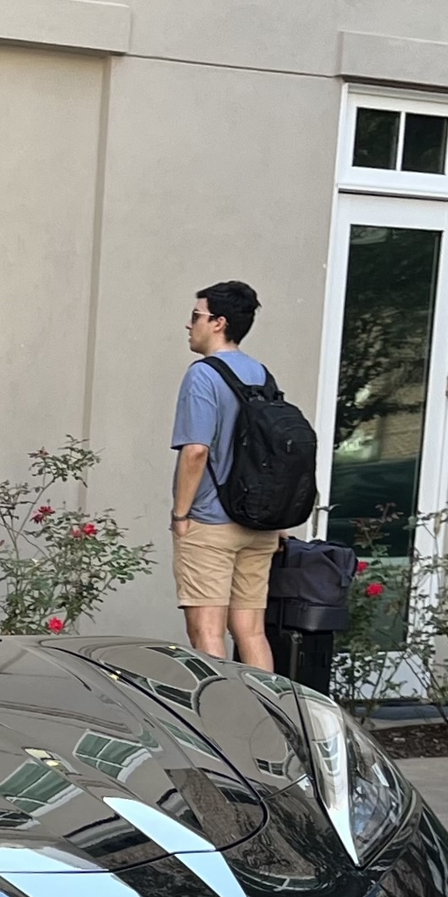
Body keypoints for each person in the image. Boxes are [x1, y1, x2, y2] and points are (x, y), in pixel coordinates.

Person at [170, 280, 283, 670]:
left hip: (211, 522)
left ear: (218, 323)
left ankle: (217, 726)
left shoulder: (203, 375)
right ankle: (269, 721)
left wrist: (181, 515)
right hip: (261, 523)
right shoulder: (261, 374)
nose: (189, 325)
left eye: (196, 316)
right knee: (251, 631)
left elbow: (196, 451)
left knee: (207, 632)